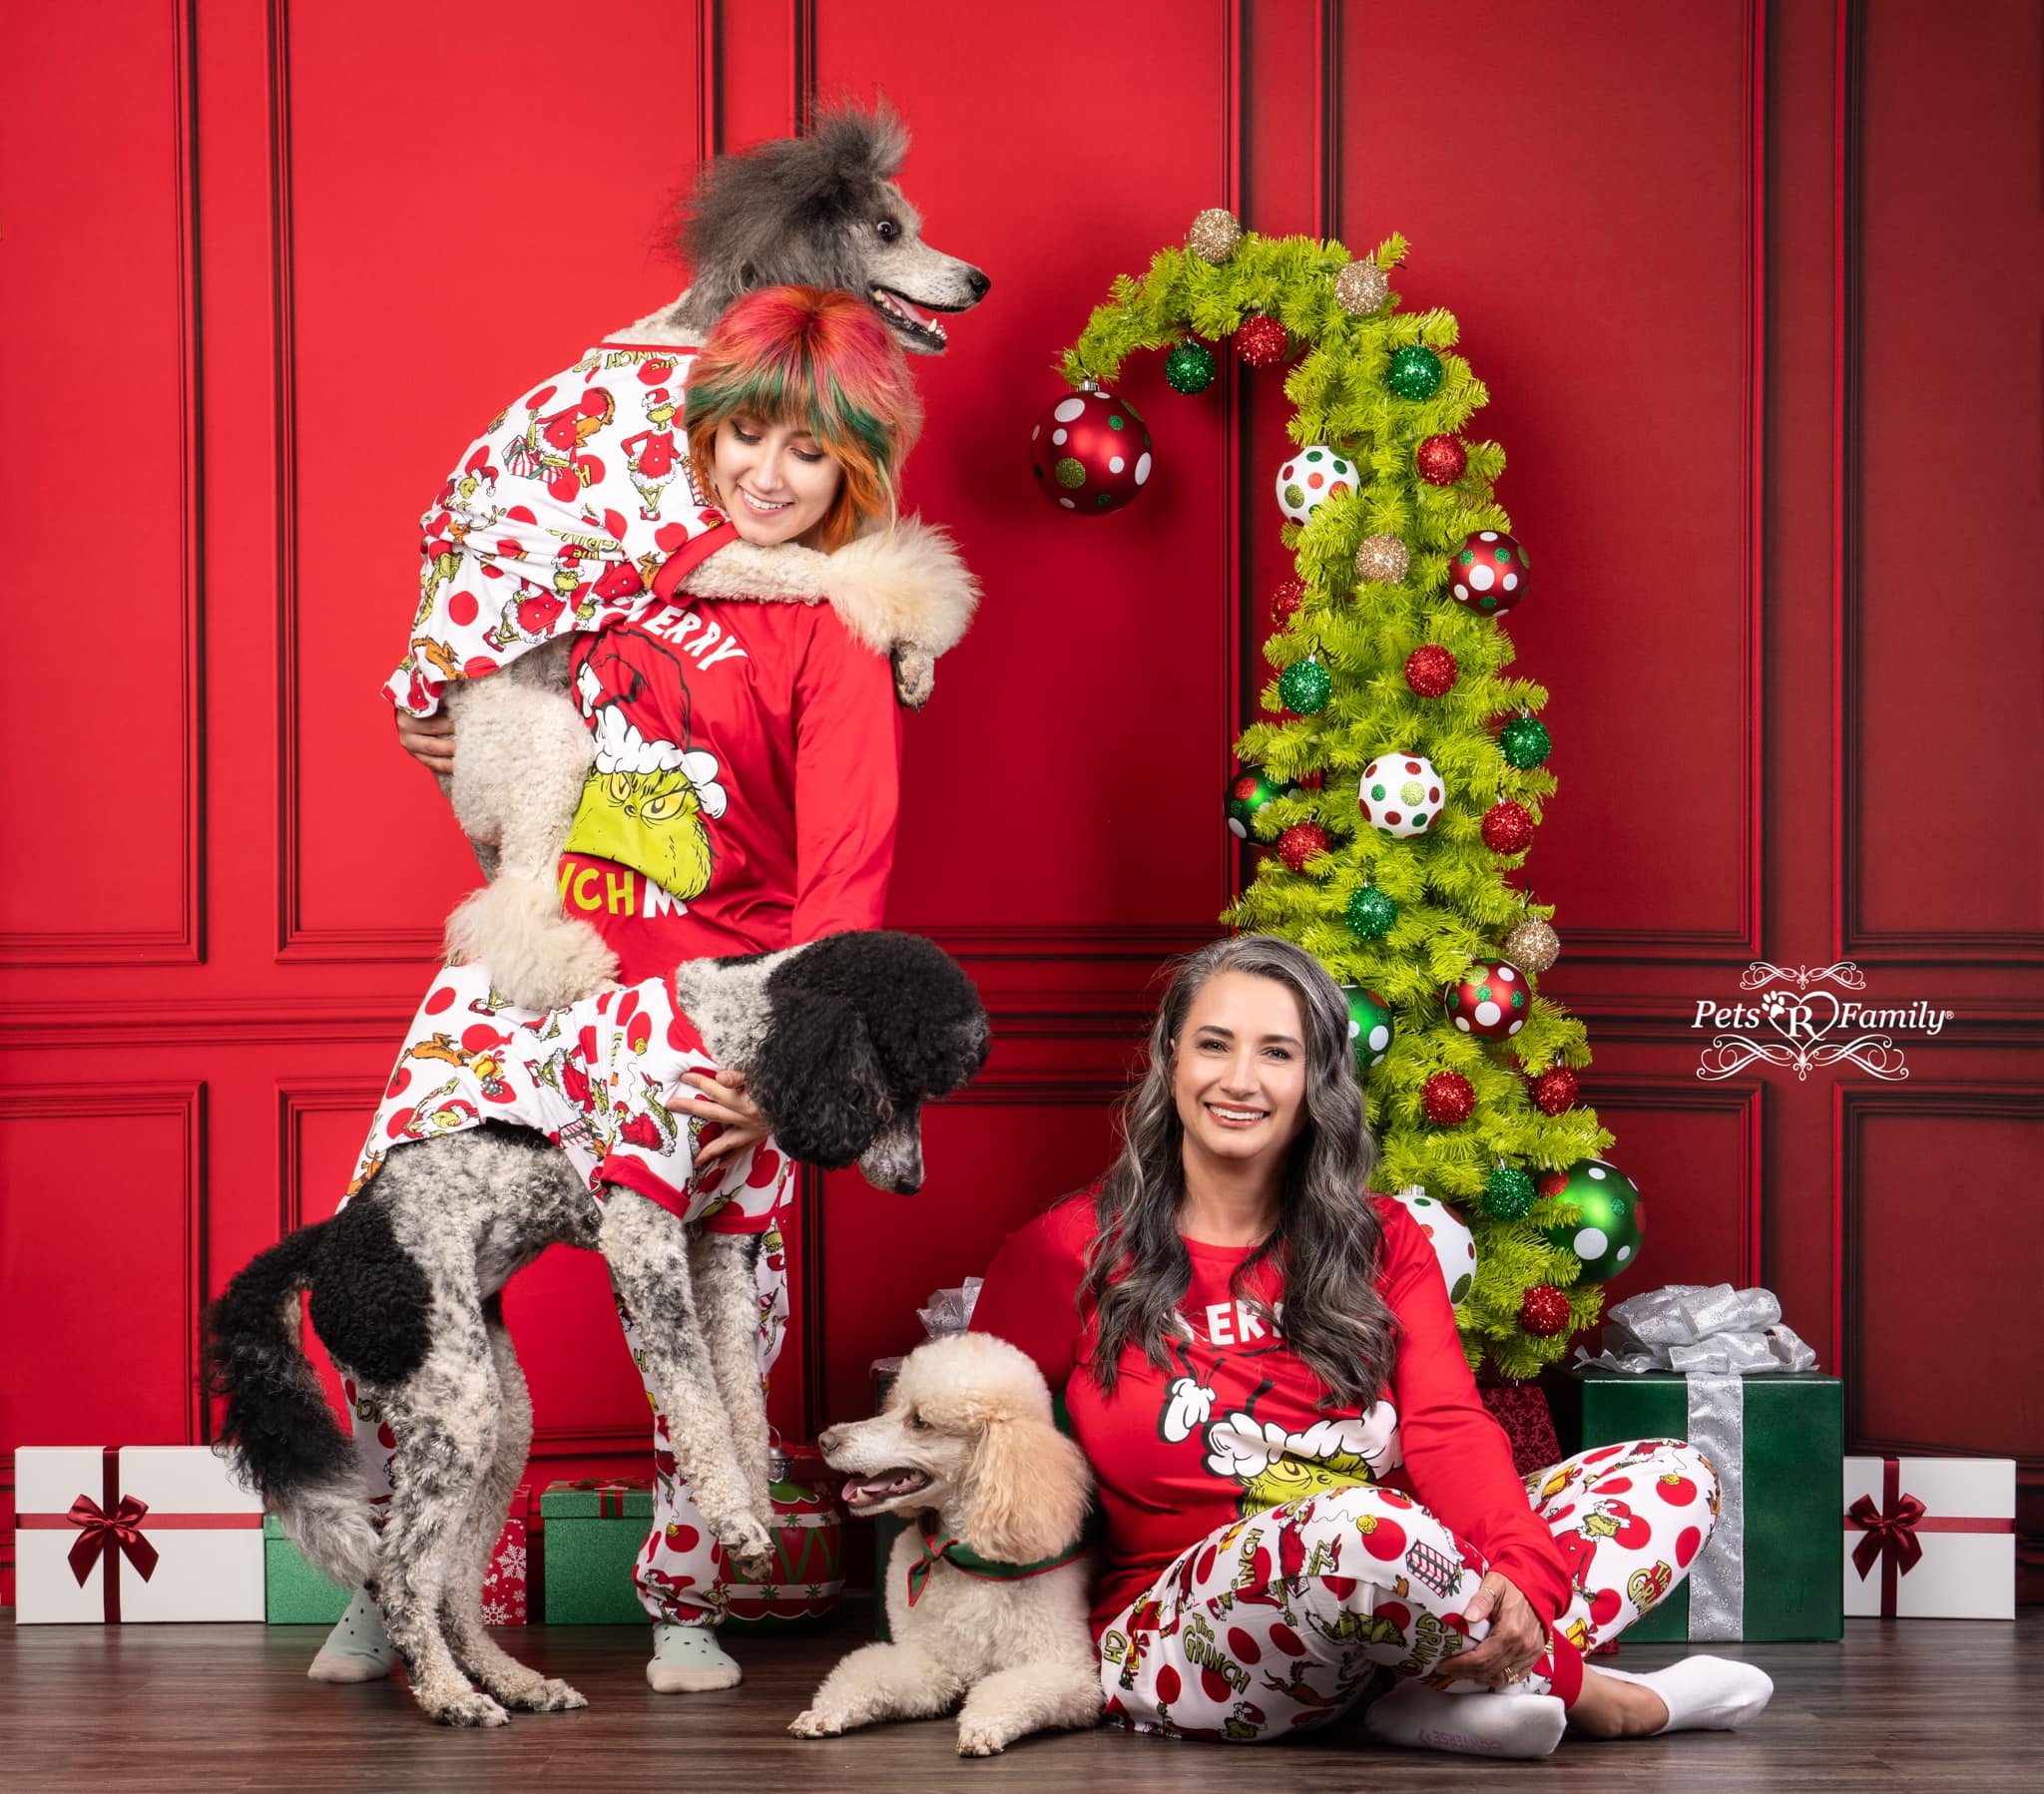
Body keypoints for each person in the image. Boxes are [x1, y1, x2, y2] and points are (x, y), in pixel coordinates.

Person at [315, 285, 974, 1697]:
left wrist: (788, 1075)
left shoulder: (838, 637)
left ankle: (690, 1591)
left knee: (727, 1280)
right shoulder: (611, 564)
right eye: (742, 435)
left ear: (853, 464)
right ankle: (400, 1572)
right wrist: (454, 725)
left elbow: (845, 885)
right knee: (384, 1246)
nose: (765, 473)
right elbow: (508, 705)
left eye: (806, 451)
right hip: (541, 962)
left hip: (710, 1000)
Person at [971, 935, 1775, 1758]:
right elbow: (972, 1449)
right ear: (1171, 1057)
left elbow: (1447, 1426)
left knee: (1672, 1479)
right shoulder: (1065, 1250)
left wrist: (1524, 1573)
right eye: (1214, 1044)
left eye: (1277, 1053)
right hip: (1190, 1638)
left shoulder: (1384, 1239)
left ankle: (1428, 1691)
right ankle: (1597, 1696)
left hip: (1401, 1576)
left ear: (1315, 1078)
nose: (1240, 1080)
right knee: (1360, 1524)